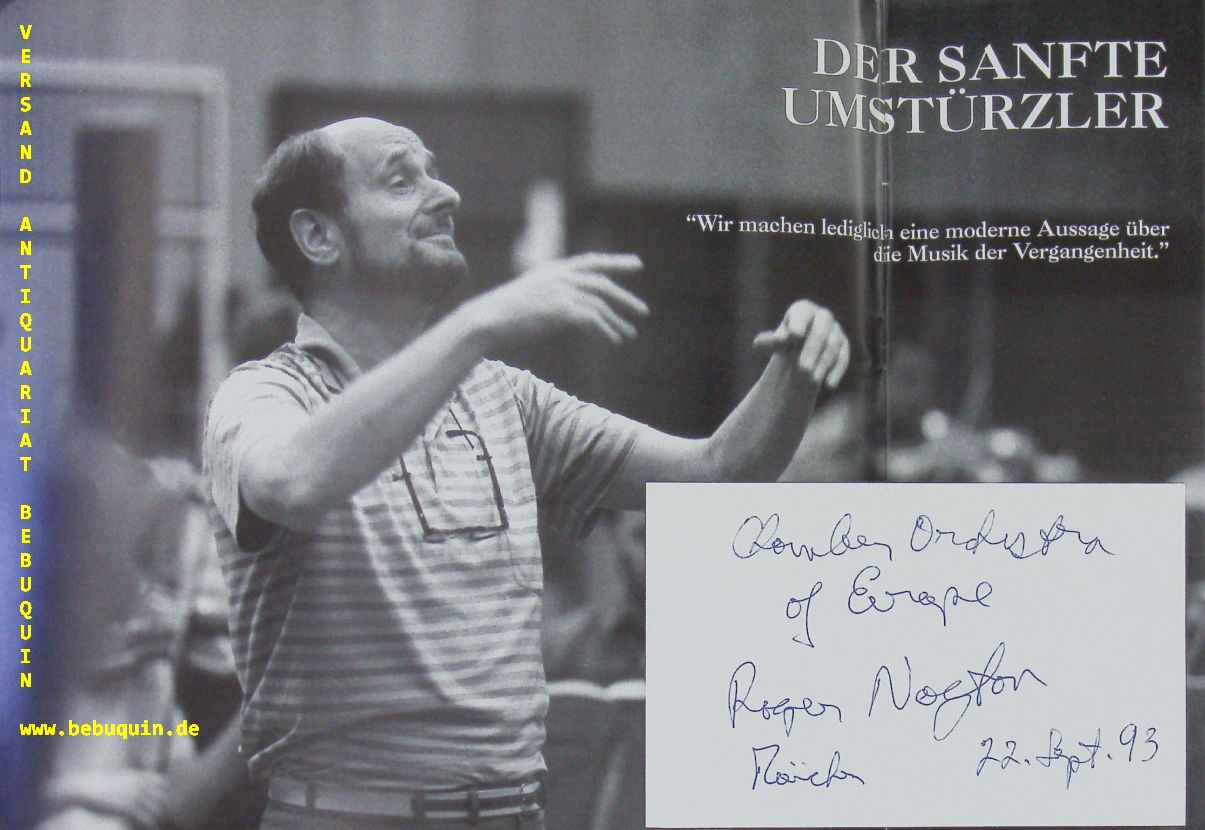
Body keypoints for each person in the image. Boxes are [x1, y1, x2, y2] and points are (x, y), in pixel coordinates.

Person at [202, 116, 850, 830]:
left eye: (432, 170)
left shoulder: (503, 396)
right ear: (318, 235)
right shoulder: (260, 396)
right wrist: (478, 324)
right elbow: (294, 485)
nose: (445, 194)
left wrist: (794, 372)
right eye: (401, 179)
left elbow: (719, 472)